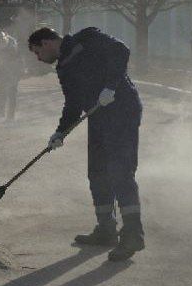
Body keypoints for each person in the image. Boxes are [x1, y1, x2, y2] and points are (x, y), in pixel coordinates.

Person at [28, 26, 144, 262]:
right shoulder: (63, 68)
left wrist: (111, 86)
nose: (38, 59)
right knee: (97, 172)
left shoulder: (89, 37)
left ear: (46, 42)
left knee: (120, 172)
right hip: (99, 116)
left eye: (37, 52)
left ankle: (133, 235)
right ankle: (106, 229)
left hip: (122, 111)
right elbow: (73, 104)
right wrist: (60, 132)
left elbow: (122, 51)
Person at [0, 31, 24, 121]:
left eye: (1, 42)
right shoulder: (1, 43)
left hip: (14, 72)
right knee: (2, 92)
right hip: (5, 71)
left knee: (12, 94)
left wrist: (16, 74)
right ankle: (0, 111)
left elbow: (16, 62)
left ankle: (10, 115)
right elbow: (0, 60)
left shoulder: (13, 47)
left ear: (5, 40)